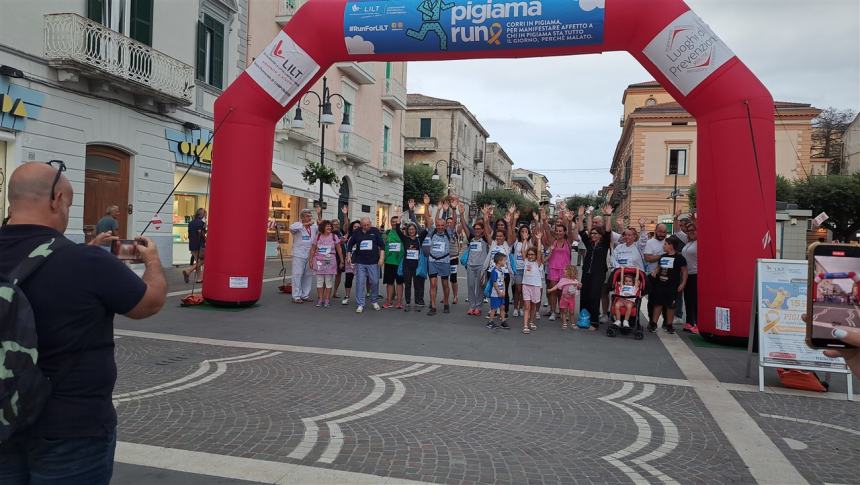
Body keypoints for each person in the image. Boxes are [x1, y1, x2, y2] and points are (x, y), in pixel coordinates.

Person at [0, 161, 166, 484]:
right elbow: (150, 301)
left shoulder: (80, 257)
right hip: (71, 431)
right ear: (56, 200)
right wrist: (154, 262)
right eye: (69, 205)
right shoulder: (86, 262)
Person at [578, 206, 611, 330]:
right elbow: (582, 231)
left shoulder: (604, 244)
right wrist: (581, 217)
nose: (592, 235)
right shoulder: (590, 244)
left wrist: (608, 216)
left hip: (598, 274)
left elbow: (608, 231)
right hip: (587, 273)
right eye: (592, 234)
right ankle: (583, 320)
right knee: (584, 295)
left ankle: (594, 322)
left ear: (600, 235)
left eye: (595, 234)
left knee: (594, 297)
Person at [649, 235, 688, 334]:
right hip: (660, 284)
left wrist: (683, 283)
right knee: (658, 304)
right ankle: (653, 323)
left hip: (672, 286)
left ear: (671, 246)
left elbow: (684, 272)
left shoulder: (680, 258)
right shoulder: (662, 256)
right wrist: (655, 272)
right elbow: (659, 267)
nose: (663, 246)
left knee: (671, 306)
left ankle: (669, 325)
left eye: (665, 244)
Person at [346, 217, 385, 313]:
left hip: (373, 261)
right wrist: (348, 255)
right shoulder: (357, 232)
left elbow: (382, 245)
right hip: (360, 261)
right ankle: (360, 304)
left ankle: (374, 300)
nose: (366, 227)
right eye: (364, 225)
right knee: (360, 282)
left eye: (368, 225)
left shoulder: (375, 231)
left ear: (370, 223)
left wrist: (381, 258)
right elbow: (350, 244)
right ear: (361, 224)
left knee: (375, 281)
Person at [542, 209, 573, 322]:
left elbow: (570, 233)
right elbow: (546, 229)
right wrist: (544, 219)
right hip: (553, 269)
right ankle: (553, 312)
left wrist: (569, 222)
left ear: (564, 232)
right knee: (553, 291)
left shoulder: (568, 241)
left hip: (565, 270)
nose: (559, 233)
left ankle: (563, 311)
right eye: (557, 231)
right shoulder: (552, 241)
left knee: (563, 292)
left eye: (561, 231)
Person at [308, 220, 343, 307]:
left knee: (328, 281)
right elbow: (313, 249)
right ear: (322, 227)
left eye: (330, 226)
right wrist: (311, 260)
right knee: (319, 281)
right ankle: (320, 299)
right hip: (319, 260)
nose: (329, 227)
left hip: (330, 260)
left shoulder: (334, 236)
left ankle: (327, 299)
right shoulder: (318, 236)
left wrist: (342, 260)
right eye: (327, 226)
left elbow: (339, 249)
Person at [395, 216, 427, 312]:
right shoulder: (405, 239)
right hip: (407, 266)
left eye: (413, 229)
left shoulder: (419, 239)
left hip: (417, 267)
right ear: (408, 231)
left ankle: (418, 302)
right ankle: (408, 303)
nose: (411, 231)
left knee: (418, 285)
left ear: (415, 230)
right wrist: (399, 220)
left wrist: (425, 218)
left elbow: (425, 230)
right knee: (407, 285)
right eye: (410, 229)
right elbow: (398, 230)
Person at [462, 215, 490, 316]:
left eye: (479, 229)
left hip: (481, 266)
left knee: (479, 287)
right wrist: (461, 214)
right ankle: (471, 306)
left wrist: (486, 219)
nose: (477, 230)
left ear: (482, 230)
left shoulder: (485, 239)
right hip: (470, 265)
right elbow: (464, 226)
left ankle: (478, 307)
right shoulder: (471, 238)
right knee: (470, 286)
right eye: (475, 229)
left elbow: (488, 231)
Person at [425, 217, 453, 315]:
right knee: (433, 284)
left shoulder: (448, 233)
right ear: (436, 226)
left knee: (445, 284)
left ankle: (446, 303)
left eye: (442, 225)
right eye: (438, 225)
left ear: (445, 226)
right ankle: (433, 306)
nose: (440, 227)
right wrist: (427, 205)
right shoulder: (432, 232)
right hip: (432, 261)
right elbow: (427, 219)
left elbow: (453, 223)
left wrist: (454, 209)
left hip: (444, 261)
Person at [289, 208, 318, 304]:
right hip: (299, 254)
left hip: (310, 254)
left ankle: (305, 295)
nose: (309, 218)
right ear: (302, 217)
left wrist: (319, 213)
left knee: (308, 275)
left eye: (310, 216)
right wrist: (305, 225)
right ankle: (296, 296)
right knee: (297, 274)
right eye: (307, 216)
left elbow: (321, 225)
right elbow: (291, 228)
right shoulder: (297, 225)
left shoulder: (313, 227)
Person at [643, 220, 669, 328]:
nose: (662, 234)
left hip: (667, 275)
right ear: (655, 231)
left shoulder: (669, 242)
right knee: (653, 300)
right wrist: (662, 256)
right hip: (653, 275)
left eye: (664, 232)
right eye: (660, 231)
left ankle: (666, 322)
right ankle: (652, 322)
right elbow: (648, 258)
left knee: (666, 300)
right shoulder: (650, 242)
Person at [519, 234, 544, 334]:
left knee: (533, 306)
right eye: (529, 254)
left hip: (536, 287)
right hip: (526, 285)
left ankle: (531, 322)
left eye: (532, 254)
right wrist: (524, 240)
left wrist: (539, 240)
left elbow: (538, 251)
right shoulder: (525, 261)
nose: (530, 256)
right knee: (527, 307)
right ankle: (525, 325)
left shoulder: (538, 263)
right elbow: (522, 251)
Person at [547, 265, 582, 329]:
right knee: (564, 312)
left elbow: (578, 289)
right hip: (564, 299)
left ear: (570, 272)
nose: (564, 271)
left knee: (571, 312)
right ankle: (564, 323)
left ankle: (573, 324)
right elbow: (557, 286)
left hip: (571, 299)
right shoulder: (563, 280)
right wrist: (550, 290)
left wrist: (579, 286)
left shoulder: (575, 281)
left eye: (565, 270)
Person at [382, 215, 405, 309]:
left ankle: (399, 302)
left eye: (396, 221)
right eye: (393, 221)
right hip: (389, 262)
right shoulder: (387, 233)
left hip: (400, 262)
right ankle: (389, 301)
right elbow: (381, 242)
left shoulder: (403, 233)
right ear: (391, 223)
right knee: (389, 283)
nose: (395, 223)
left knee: (399, 283)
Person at [681, 219, 699, 333]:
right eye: (688, 231)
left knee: (696, 299)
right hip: (687, 275)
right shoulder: (689, 242)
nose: (690, 232)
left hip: (697, 274)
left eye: (693, 230)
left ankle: (698, 323)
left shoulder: (700, 242)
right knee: (688, 298)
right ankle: (689, 322)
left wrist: (696, 220)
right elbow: (678, 231)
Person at [182, 207, 206, 284]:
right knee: (204, 260)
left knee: (198, 262)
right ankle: (188, 270)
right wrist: (205, 239)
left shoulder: (190, 223)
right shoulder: (201, 223)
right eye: (205, 213)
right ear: (202, 214)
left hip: (192, 245)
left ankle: (199, 279)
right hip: (199, 245)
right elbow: (200, 233)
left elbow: (190, 234)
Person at [340, 220, 361, 305]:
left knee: (361, 280)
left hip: (360, 261)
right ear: (352, 228)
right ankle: (347, 296)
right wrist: (342, 240)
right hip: (349, 260)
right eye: (355, 227)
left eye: (358, 227)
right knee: (348, 279)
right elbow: (341, 242)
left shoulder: (364, 236)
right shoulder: (348, 236)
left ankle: (360, 297)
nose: (356, 228)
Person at [486, 252, 509, 329]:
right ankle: (490, 322)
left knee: (502, 307)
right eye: (504, 260)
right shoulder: (494, 271)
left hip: (501, 292)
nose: (505, 262)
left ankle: (503, 321)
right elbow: (494, 283)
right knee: (494, 308)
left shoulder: (502, 270)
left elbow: (503, 281)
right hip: (496, 293)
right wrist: (499, 292)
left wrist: (504, 291)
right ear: (499, 261)